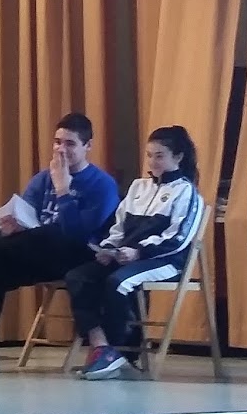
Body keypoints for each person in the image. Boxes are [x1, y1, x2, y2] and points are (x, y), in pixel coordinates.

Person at [0, 112, 121, 374]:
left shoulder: (102, 184)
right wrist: (13, 227)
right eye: (57, 142)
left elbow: (77, 234)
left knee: (52, 232)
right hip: (41, 251)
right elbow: (28, 218)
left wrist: (63, 190)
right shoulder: (43, 178)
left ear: (88, 146)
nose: (61, 150)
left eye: (70, 144)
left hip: (80, 256)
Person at [66, 125, 205, 380]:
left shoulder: (186, 192)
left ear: (178, 157)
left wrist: (139, 252)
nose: (153, 162)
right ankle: (101, 346)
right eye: (149, 155)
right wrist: (108, 249)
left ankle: (122, 351)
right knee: (78, 277)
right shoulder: (138, 187)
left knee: (118, 282)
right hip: (126, 257)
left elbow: (178, 239)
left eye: (160, 156)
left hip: (165, 261)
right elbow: (118, 227)